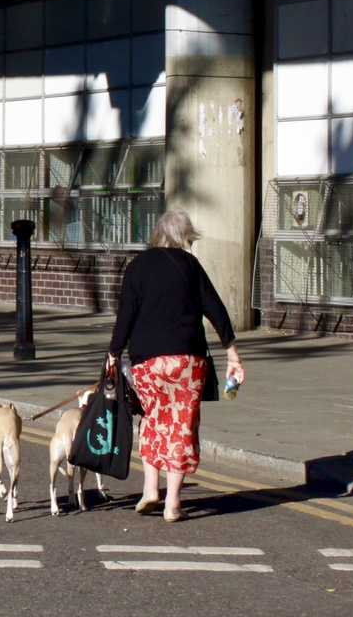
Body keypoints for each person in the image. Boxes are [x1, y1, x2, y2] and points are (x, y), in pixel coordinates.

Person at [106, 209, 244, 522]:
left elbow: (125, 315)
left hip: (148, 361)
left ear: (158, 232)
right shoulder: (190, 265)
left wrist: (113, 353)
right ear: (185, 237)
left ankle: (150, 489)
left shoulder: (138, 266)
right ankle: (173, 503)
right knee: (181, 425)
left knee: (153, 419)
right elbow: (215, 308)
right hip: (188, 360)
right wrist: (232, 353)